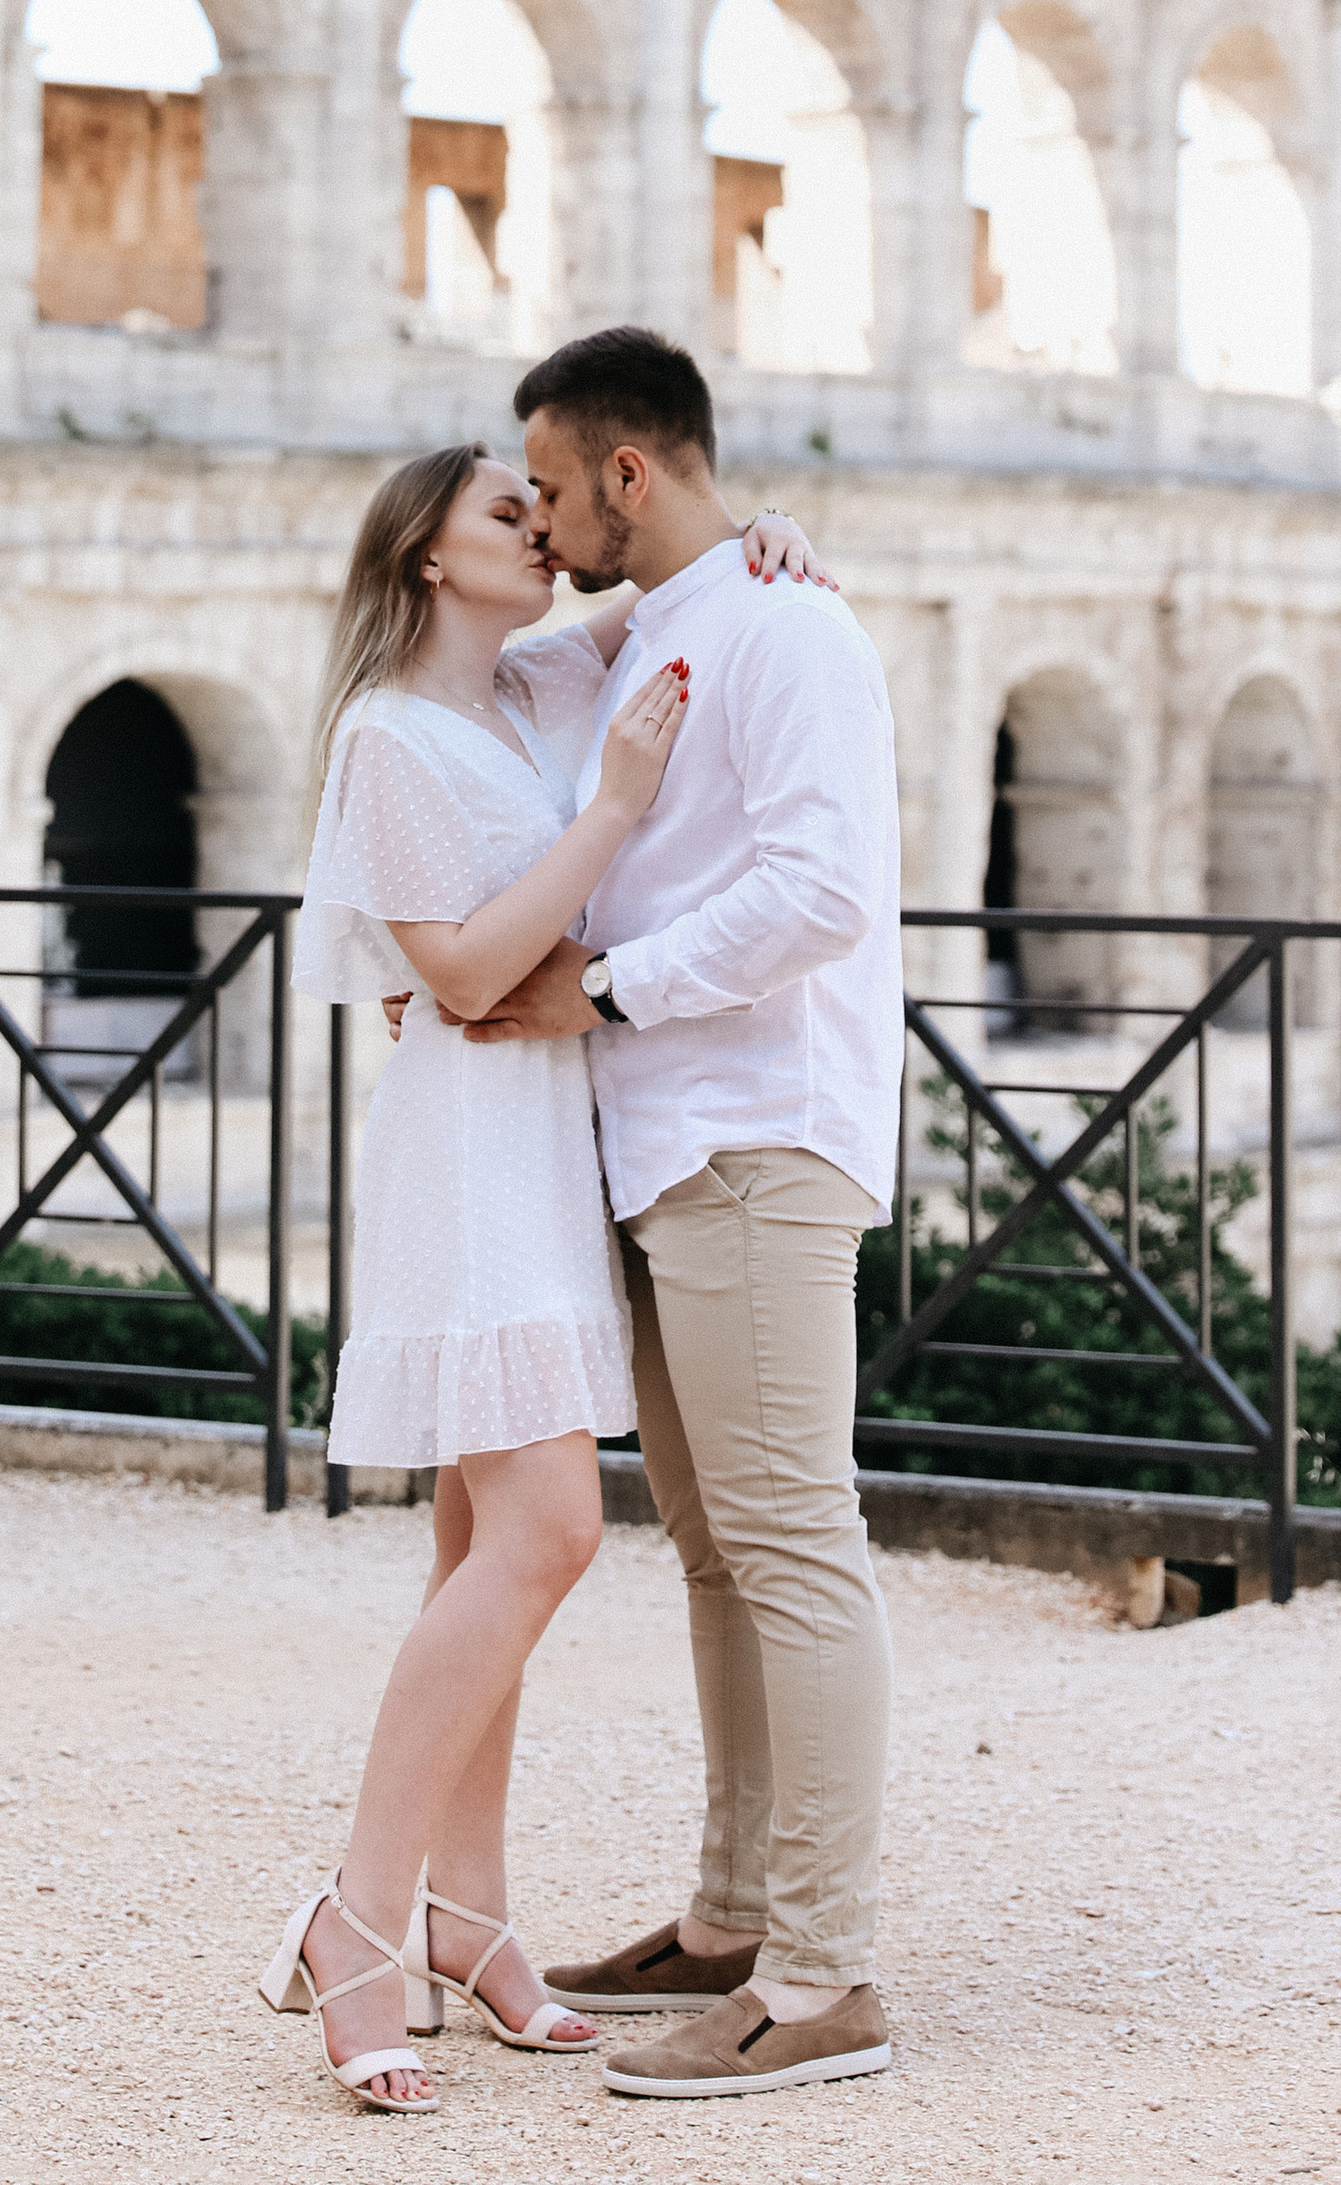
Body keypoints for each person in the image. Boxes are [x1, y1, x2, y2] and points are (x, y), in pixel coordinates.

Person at [257, 439, 820, 2114]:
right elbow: (463, 972)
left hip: (550, 1141)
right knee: (549, 1533)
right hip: (471, 1148)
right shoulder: (387, 734)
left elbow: (683, 581)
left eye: (545, 502)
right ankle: (357, 1918)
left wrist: (769, 531)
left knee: (473, 1548)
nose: (545, 528)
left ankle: (468, 1918)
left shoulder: (538, 684)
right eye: (508, 511)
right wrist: (617, 813)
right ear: (428, 556)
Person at [461, 325, 905, 2105]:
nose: (540, 520)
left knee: (793, 1544)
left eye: (552, 487)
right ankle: (733, 1922)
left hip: (756, 1133)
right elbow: (465, 652)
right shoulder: (663, 625)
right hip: (664, 1144)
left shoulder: (790, 633)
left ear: (628, 473)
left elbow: (822, 892)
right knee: (724, 1555)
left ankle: (823, 1976)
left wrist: (603, 989)